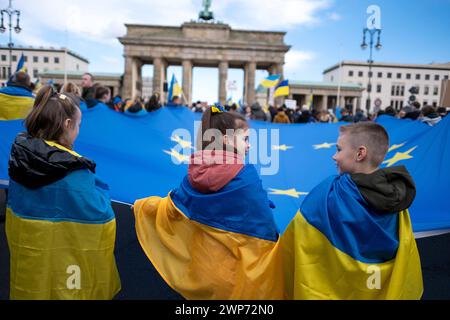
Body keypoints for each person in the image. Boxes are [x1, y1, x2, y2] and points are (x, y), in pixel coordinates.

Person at [133, 105, 284, 300]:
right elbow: (266, 233)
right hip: (233, 276)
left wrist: (141, 206)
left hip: (199, 267)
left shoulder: (195, 171)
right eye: (246, 139)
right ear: (227, 139)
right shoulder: (246, 176)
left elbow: (172, 207)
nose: (249, 146)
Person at [281, 122, 423, 300]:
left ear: (360, 153)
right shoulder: (399, 201)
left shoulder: (328, 195)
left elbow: (295, 244)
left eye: (339, 149)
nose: (334, 156)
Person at [5, 85, 121, 299]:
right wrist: (102, 190)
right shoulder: (74, 169)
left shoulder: (19, 155)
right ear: (67, 125)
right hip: (67, 270)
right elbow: (100, 215)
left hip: (30, 257)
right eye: (78, 125)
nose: (78, 131)